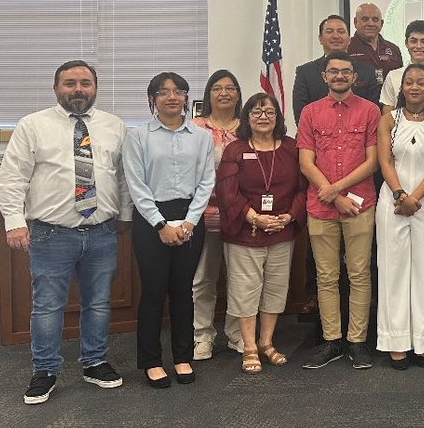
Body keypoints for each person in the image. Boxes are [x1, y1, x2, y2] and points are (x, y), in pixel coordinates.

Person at [0, 60, 131, 405]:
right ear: (56, 88)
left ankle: (95, 361)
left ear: (95, 88)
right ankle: (44, 370)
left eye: (85, 83)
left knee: (98, 302)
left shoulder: (114, 126)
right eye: (69, 83)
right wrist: (14, 220)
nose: (78, 89)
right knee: (47, 306)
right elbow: (13, 176)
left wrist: (126, 216)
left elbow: (122, 176)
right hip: (51, 233)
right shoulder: (33, 125)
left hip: (101, 231)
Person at [123, 72, 216, 388]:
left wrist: (190, 222)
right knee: (152, 292)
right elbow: (136, 185)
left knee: (182, 291)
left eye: (179, 91)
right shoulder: (138, 136)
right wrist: (160, 224)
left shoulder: (201, 136)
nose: (172, 97)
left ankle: (182, 357)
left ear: (187, 98)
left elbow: (206, 182)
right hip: (152, 218)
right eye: (163, 92)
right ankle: (150, 361)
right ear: (153, 99)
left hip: (190, 216)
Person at [298, 51, 382, 371]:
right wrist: (333, 196)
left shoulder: (370, 111)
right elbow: (306, 162)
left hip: (360, 203)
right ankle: (332, 340)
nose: (339, 76)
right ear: (324, 76)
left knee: (359, 274)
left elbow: (372, 161)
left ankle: (357, 341)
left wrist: (339, 189)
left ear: (354, 76)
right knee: (327, 275)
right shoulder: (309, 112)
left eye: (345, 72)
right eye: (334, 71)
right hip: (321, 206)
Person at [216, 93, 308, 374]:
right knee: (245, 291)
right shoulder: (235, 150)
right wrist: (255, 217)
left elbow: (303, 189)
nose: (263, 117)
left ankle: (267, 342)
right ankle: (249, 346)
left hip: (282, 230)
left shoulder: (292, 148)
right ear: (246, 119)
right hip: (246, 232)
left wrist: (289, 216)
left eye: (269, 112)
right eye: (256, 112)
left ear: (278, 117)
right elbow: (226, 192)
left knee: (275, 289)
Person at [375, 64, 424, 368]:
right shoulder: (388, 119)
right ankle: (396, 341)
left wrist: (414, 197)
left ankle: (423, 341)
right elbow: (385, 161)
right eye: (409, 82)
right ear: (400, 88)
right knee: (393, 270)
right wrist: (399, 194)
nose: (415, 87)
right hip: (392, 201)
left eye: (421, 82)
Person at [190, 70, 244, 360]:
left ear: (238, 94)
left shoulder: (248, 128)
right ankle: (202, 336)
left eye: (230, 88)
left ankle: (237, 334)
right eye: (217, 88)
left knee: (239, 279)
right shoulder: (195, 128)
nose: (224, 93)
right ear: (208, 94)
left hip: (240, 216)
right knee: (203, 279)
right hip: (202, 215)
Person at [293, 15, 380, 122]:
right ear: (320, 39)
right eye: (329, 31)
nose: (335, 36)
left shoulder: (367, 72)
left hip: (357, 135)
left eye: (341, 31)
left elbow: (372, 113)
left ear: (349, 39)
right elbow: (301, 116)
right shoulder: (305, 72)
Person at [349, 2, 403, 87]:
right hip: (359, 99)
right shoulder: (347, 48)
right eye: (365, 19)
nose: (370, 24)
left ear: (381, 23)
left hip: (389, 100)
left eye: (375, 20)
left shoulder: (394, 49)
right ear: (355, 22)